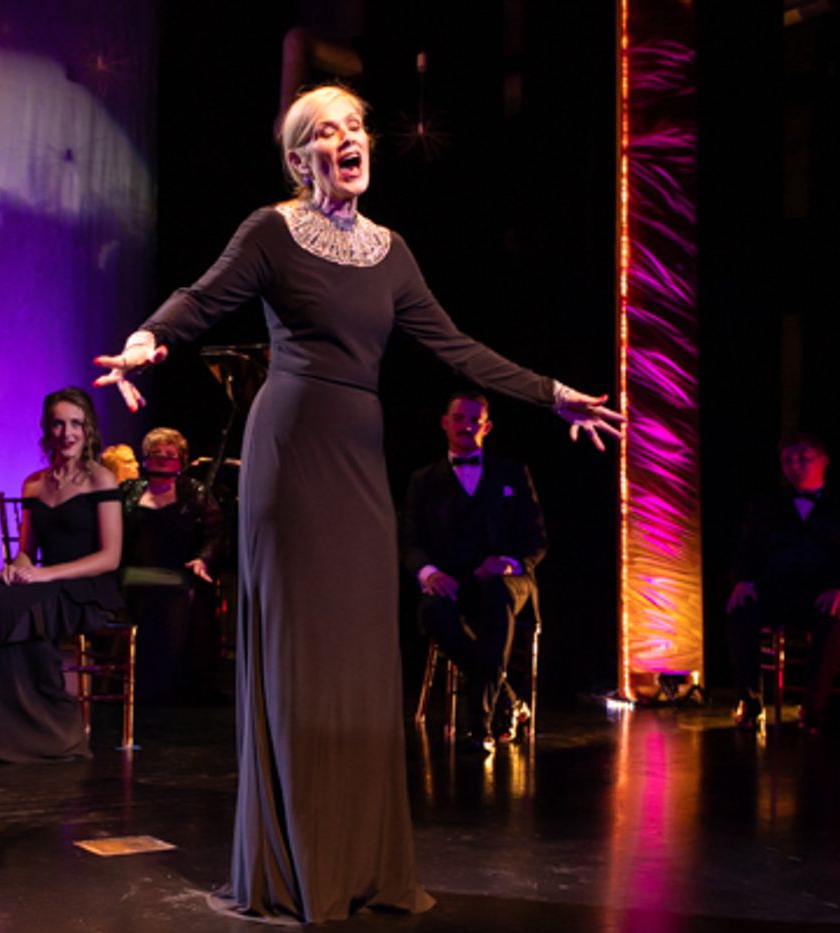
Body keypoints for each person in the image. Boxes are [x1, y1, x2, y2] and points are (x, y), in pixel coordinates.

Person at [94, 85, 622, 923]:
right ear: (302, 159)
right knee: (302, 651)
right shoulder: (271, 230)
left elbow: (458, 346)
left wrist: (554, 395)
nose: (350, 140)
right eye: (328, 133)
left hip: (356, 451)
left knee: (361, 652)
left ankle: (362, 859)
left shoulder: (392, 251)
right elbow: (199, 297)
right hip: (290, 442)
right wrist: (146, 339)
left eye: (356, 128)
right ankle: (300, 863)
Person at [0, 387, 124, 762]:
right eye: (58, 424)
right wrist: (14, 569)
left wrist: (45, 574)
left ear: (88, 430)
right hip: (47, 582)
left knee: (20, 610)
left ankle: (46, 731)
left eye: (75, 424)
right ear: (46, 429)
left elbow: (110, 557)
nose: (67, 433)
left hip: (87, 588)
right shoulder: (34, 483)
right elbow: (26, 553)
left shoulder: (101, 479)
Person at [401, 391, 546, 754]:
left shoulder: (513, 473)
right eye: (460, 418)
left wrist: (506, 562)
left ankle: (479, 728)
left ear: (487, 427)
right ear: (445, 423)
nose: (467, 426)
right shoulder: (424, 480)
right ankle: (508, 700)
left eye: (474, 420)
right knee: (431, 612)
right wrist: (430, 573)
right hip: (453, 581)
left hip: (508, 580)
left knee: (496, 596)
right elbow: (410, 542)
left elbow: (536, 540)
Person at [725, 433, 840, 731]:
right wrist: (742, 581)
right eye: (788, 460)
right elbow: (746, 550)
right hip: (777, 592)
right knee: (740, 609)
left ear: (823, 461)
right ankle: (750, 701)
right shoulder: (767, 505)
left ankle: (813, 709)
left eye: (803, 459)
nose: (795, 466)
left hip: (822, 594)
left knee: (831, 617)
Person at [119, 427, 225, 704]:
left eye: (170, 454)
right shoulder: (128, 492)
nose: (163, 459)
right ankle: (136, 682)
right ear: (145, 459)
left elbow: (214, 534)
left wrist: (203, 559)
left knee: (180, 593)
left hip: (179, 573)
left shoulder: (195, 492)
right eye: (156, 454)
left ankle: (172, 685)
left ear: (182, 460)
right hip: (135, 574)